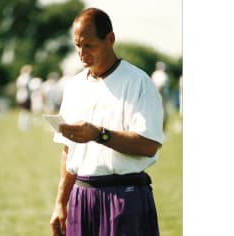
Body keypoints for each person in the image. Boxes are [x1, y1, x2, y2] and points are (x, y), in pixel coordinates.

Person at [49, 8, 163, 236]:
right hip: (82, 196)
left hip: (124, 196)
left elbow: (149, 145)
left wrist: (99, 135)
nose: (81, 53)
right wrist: (61, 202)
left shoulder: (138, 82)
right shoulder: (73, 87)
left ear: (110, 39)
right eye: (77, 45)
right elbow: (68, 149)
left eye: (89, 45)